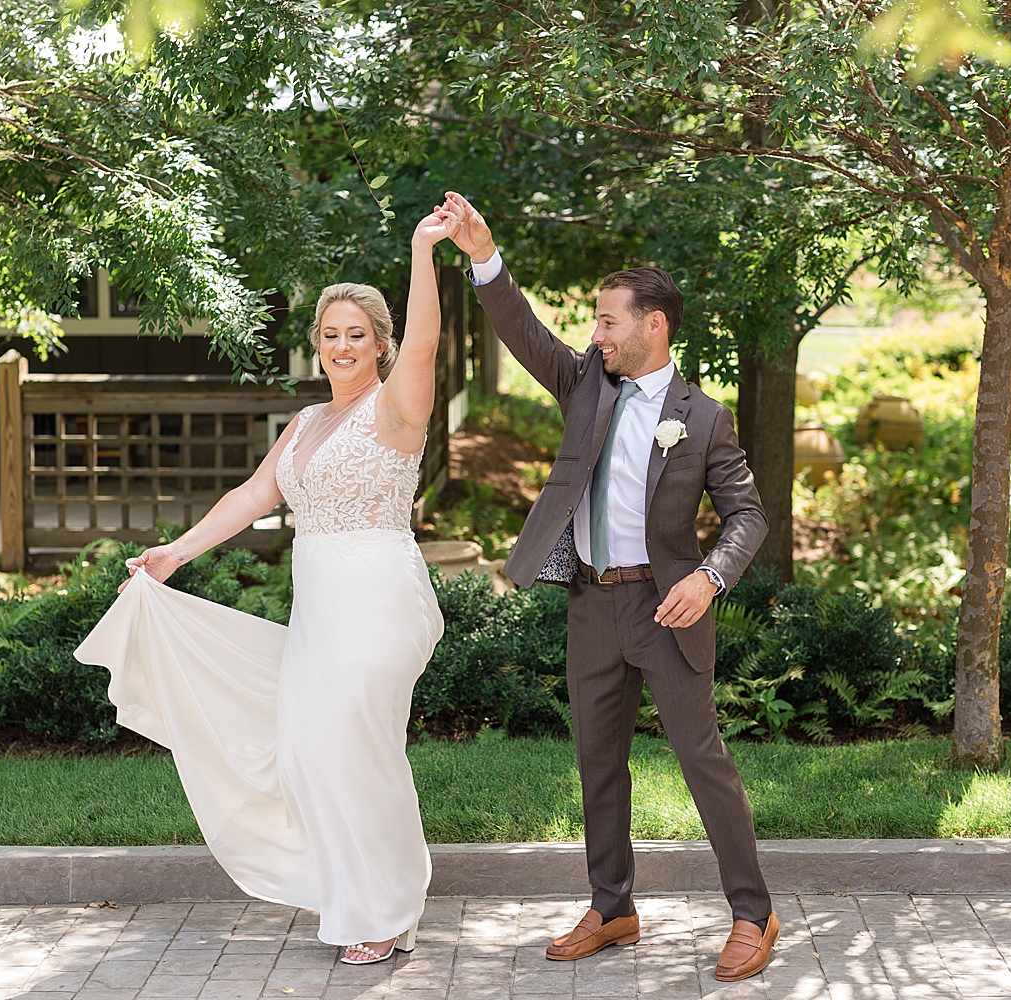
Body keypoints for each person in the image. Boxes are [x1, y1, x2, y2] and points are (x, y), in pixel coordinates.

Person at [74, 205, 461, 965]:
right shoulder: (308, 420)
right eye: (330, 334)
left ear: (381, 344)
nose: (343, 346)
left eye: (358, 334)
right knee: (315, 749)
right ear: (316, 344)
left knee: (356, 748)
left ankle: (383, 908)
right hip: (321, 607)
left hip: (379, 597)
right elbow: (252, 498)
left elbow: (429, 340)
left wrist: (423, 250)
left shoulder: (397, 406)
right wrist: (173, 555)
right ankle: (376, 896)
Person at [440, 192, 780, 981]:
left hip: (666, 607)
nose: (595, 333)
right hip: (591, 602)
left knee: (702, 759)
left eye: (607, 320)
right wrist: (482, 253)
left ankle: (753, 914)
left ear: (652, 324)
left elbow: (747, 514)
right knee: (598, 760)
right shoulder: (587, 383)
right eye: (594, 323)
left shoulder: (704, 419)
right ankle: (612, 904)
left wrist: (711, 575)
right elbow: (523, 333)